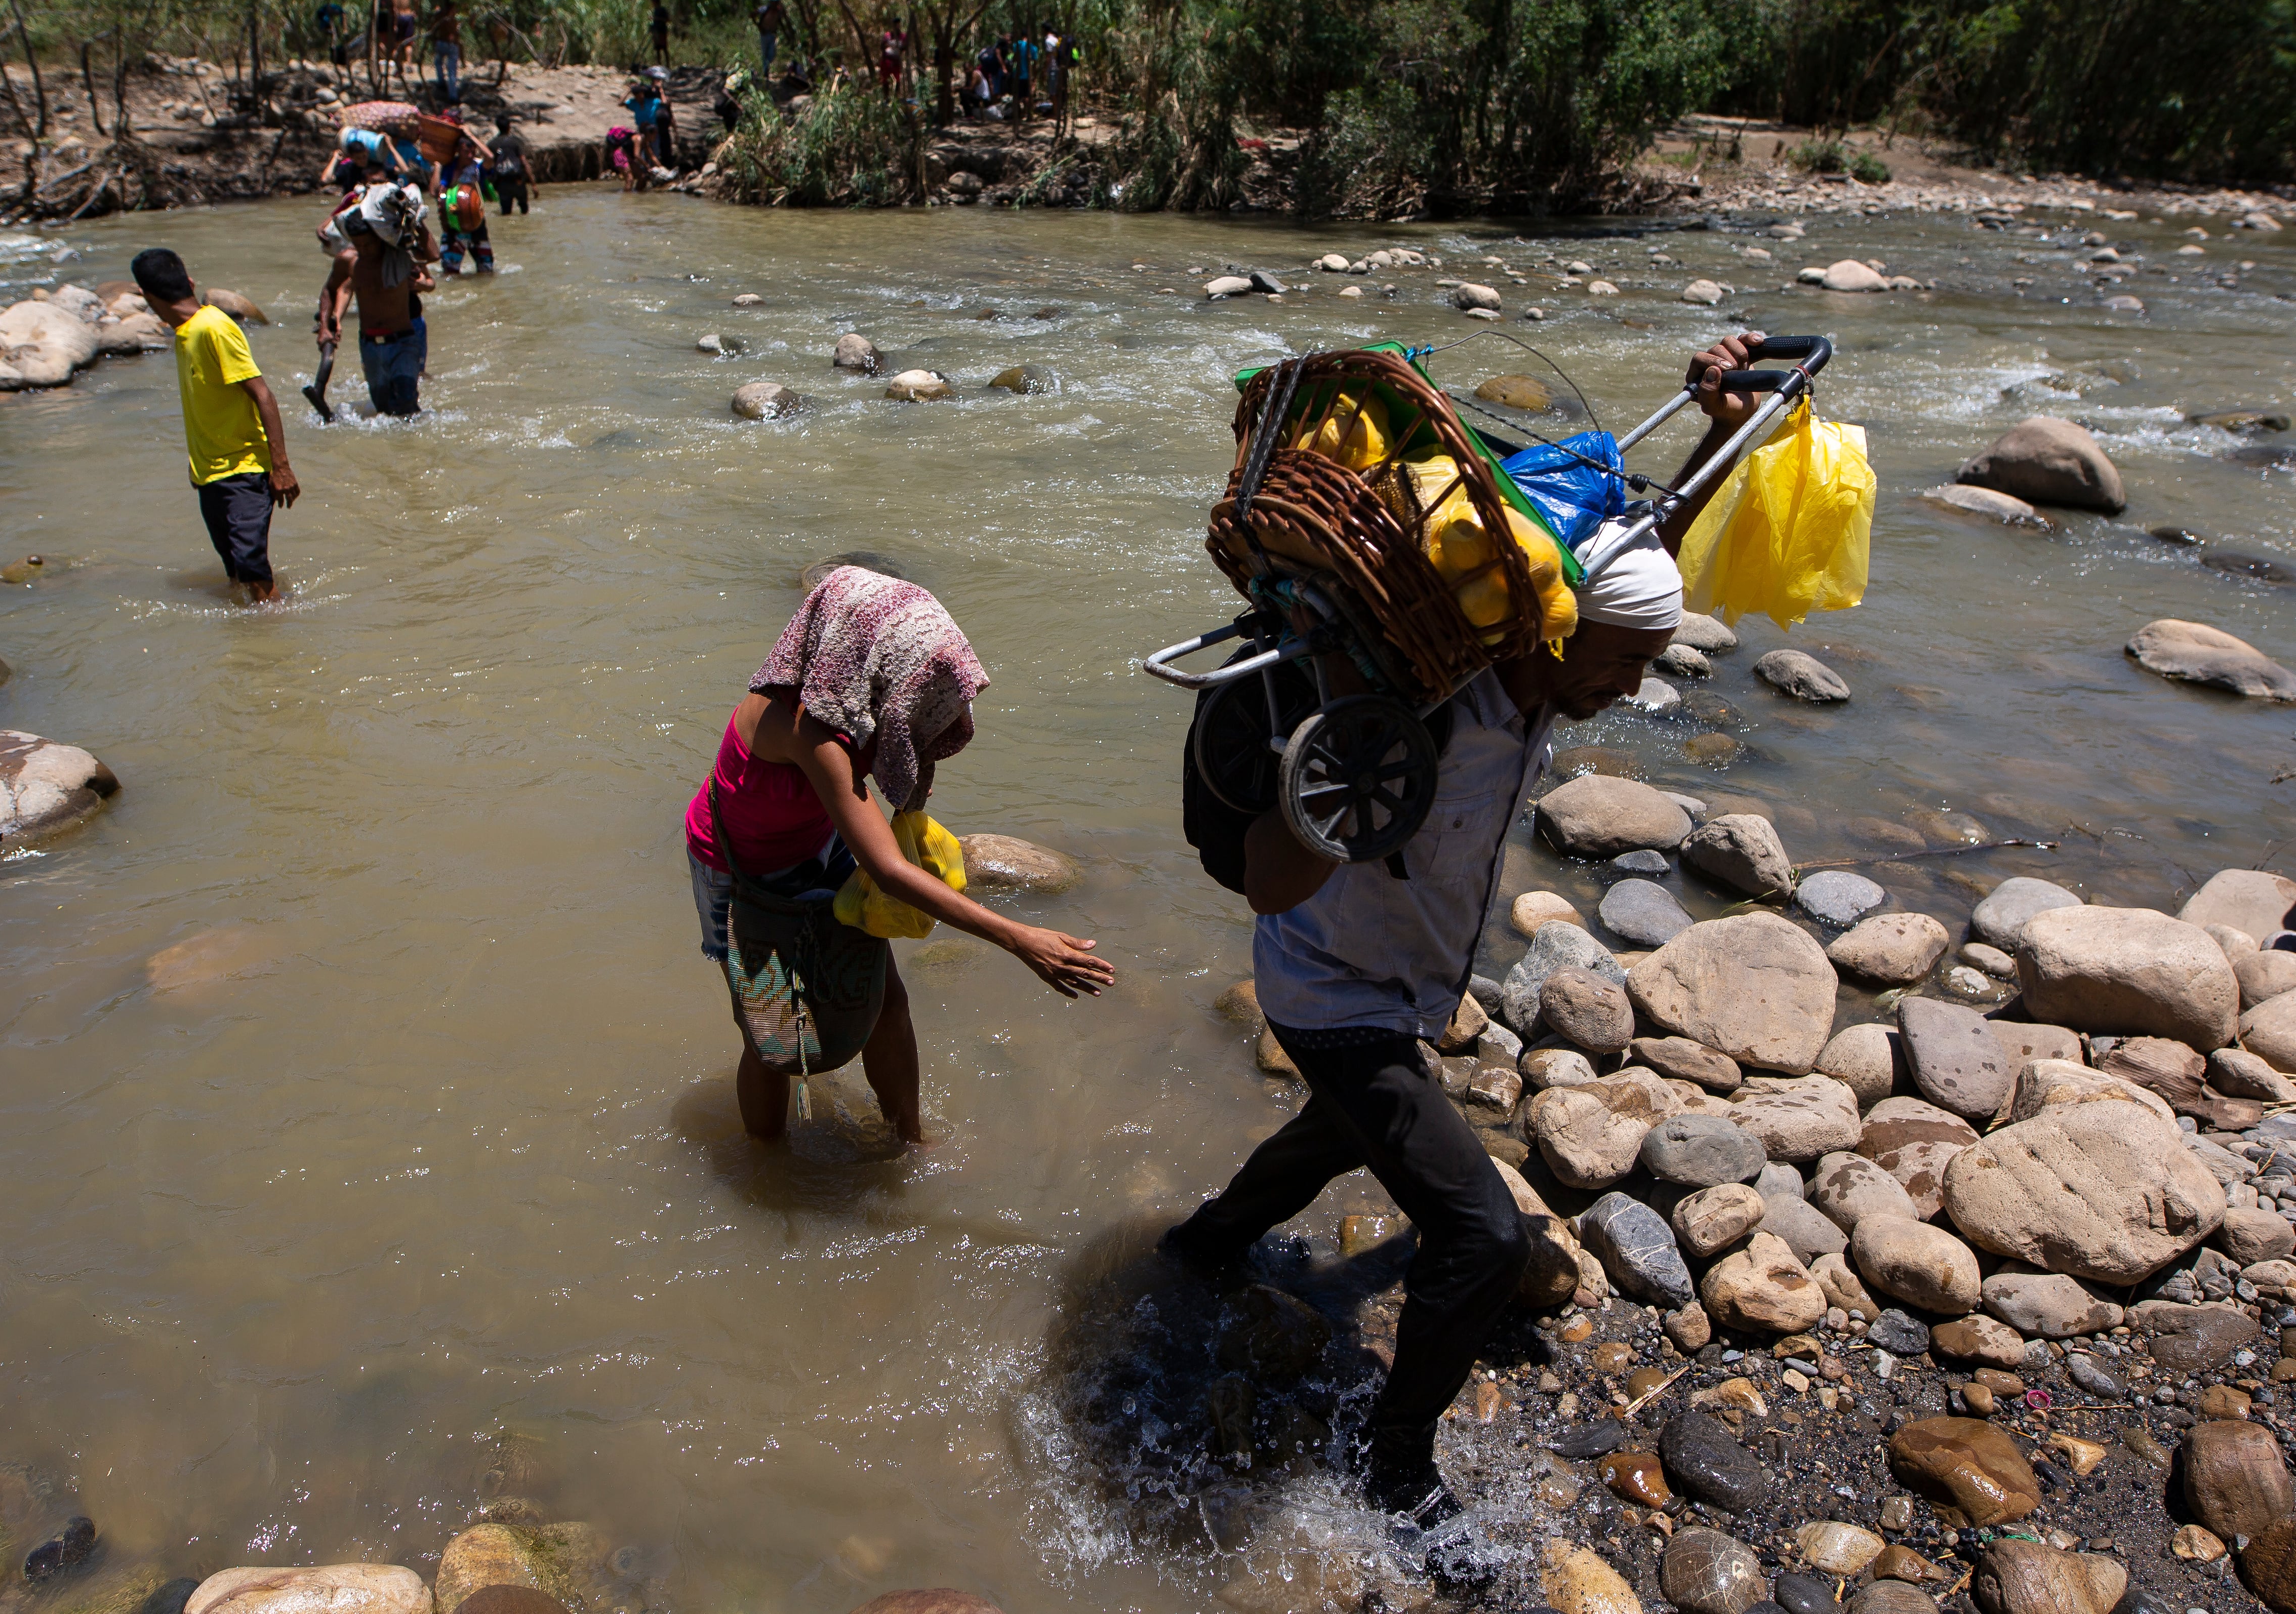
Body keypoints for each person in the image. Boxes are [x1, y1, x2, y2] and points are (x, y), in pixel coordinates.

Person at [1161, 333, 1773, 1525]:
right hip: (1329, 988)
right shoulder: (1434, 699)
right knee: (1482, 1238)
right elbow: (1265, 885)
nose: (1623, 691)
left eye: (1641, 668)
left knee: (1342, 1135)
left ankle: (1203, 1245)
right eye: (1615, 667)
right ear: (1555, 635)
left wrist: (1714, 421)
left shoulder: (1550, 662)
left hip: (1389, 983)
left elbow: (1642, 559)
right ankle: (1393, 1468)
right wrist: (1340, 770)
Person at [684, 567, 1115, 1145]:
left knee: (887, 1001)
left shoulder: (843, 698)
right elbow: (888, 871)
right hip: (739, 867)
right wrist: (1019, 939)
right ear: (860, 655)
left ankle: (907, 1139)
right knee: (771, 1035)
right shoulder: (806, 728)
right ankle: (768, 1169)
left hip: (818, 841)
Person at [130, 249, 301, 605]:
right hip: (211, 473)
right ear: (190, 283)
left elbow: (263, 395)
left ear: (147, 298)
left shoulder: (214, 328)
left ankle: (276, 639)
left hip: (245, 469)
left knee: (253, 570)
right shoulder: (187, 333)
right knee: (235, 574)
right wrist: (198, 467)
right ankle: (246, 641)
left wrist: (281, 466)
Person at [317, 181, 438, 416]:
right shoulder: (349, 261)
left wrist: (418, 223)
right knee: (383, 408)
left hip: (403, 342)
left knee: (406, 405)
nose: (365, 249)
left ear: (379, 236)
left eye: (368, 243)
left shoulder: (398, 255)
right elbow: (329, 290)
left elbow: (432, 255)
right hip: (370, 345)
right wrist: (325, 326)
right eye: (358, 244)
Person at [488, 112, 531, 214]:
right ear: (509, 127)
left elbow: (489, 165)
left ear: (498, 127)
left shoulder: (492, 144)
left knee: (506, 213)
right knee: (524, 211)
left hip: (503, 183)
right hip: (518, 181)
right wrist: (533, 184)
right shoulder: (516, 142)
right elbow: (524, 163)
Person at [429, 0, 463, 104]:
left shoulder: (439, 15)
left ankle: (441, 82)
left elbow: (433, 28)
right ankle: (453, 95)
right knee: (452, 71)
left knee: (439, 62)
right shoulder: (454, 16)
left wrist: (434, 40)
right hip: (451, 45)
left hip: (441, 43)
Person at [388, 0, 420, 70]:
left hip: (399, 17)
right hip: (408, 16)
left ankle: (399, 67)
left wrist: (395, 24)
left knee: (398, 44)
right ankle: (409, 65)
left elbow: (394, 10)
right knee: (408, 43)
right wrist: (416, 10)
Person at [755, 0, 786, 77]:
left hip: (772, 34)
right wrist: (760, 27)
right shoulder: (765, 9)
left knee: (772, 54)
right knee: (765, 53)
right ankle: (765, 72)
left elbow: (780, 22)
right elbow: (753, 14)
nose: (776, 4)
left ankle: (766, 69)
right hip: (764, 34)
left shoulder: (778, 11)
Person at [651, 0, 670, 64]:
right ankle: (659, 65)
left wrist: (657, 19)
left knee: (664, 48)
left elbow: (667, 20)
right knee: (658, 49)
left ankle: (668, 65)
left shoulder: (662, 10)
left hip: (662, 31)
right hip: (657, 31)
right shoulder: (656, 10)